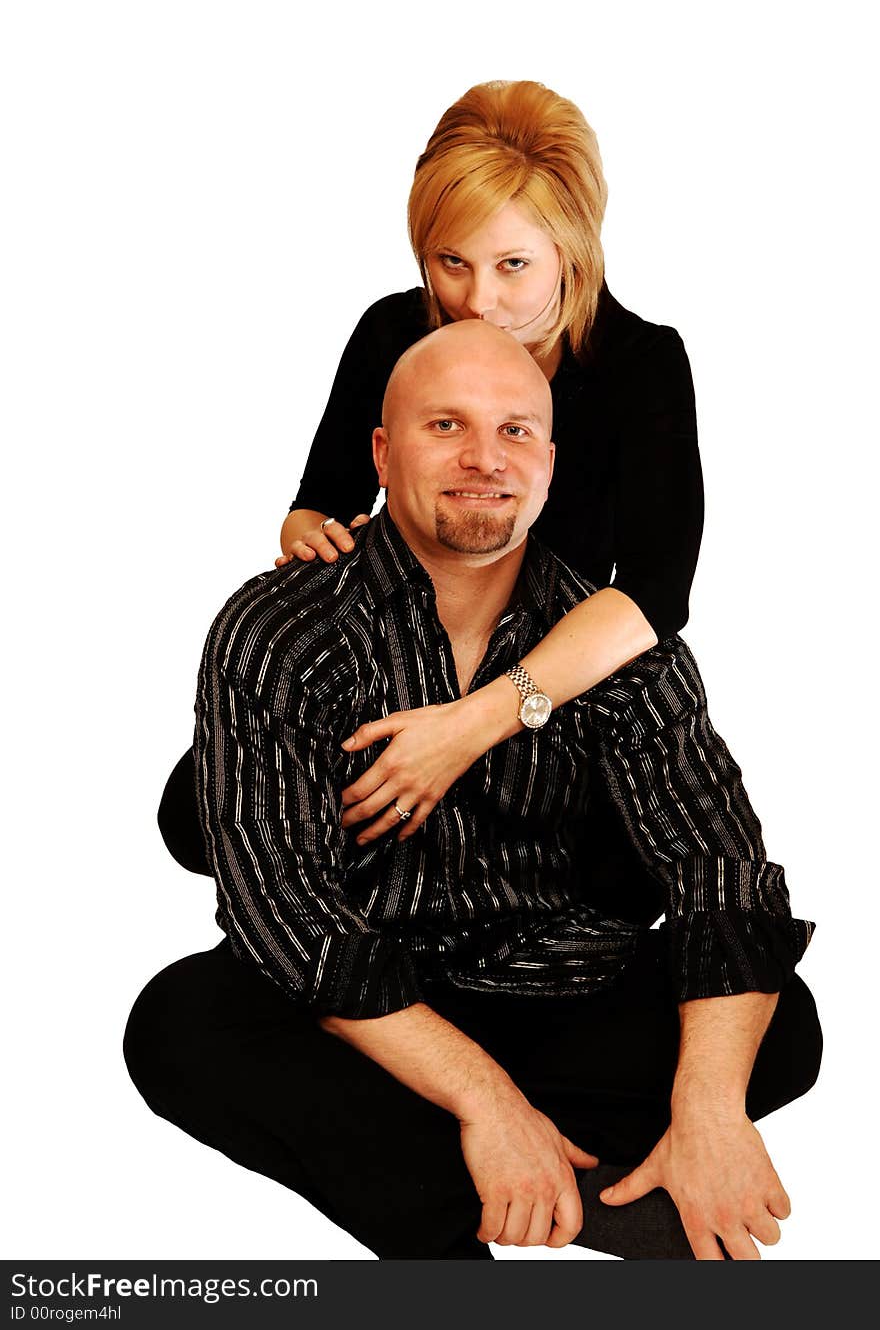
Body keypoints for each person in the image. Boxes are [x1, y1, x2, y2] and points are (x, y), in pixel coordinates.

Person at [125, 322, 821, 1262]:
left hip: (545, 982)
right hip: (372, 1013)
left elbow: (720, 865)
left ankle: (500, 1161)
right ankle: (523, 1205)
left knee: (780, 1028)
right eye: (446, 425)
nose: (485, 459)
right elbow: (287, 916)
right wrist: (485, 1100)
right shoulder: (280, 626)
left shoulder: (607, 639)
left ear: (552, 460)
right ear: (381, 450)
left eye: (516, 432)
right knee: (181, 1023)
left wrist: (708, 1110)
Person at [157, 79, 703, 893]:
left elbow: (657, 594)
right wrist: (307, 538)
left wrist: (472, 724)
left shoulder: (644, 365)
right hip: (402, 659)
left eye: (513, 265)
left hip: (552, 692)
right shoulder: (391, 330)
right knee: (200, 809)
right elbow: (320, 501)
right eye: (452, 263)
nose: (477, 301)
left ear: (573, 250)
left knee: (627, 858)